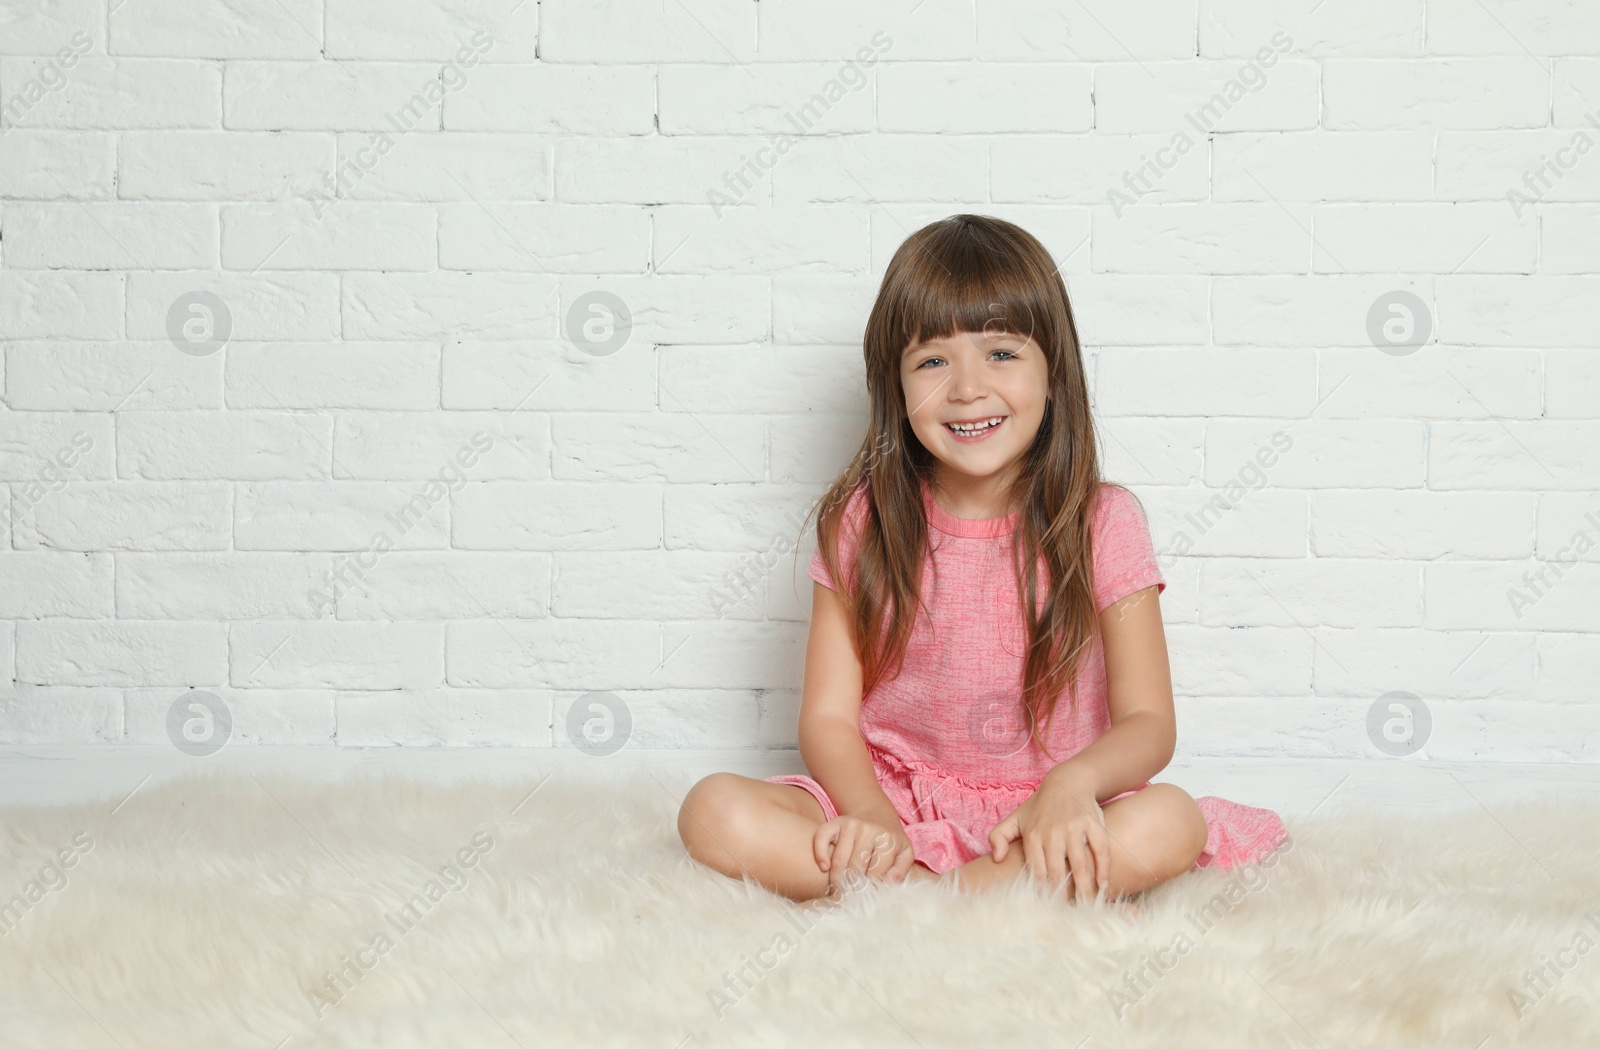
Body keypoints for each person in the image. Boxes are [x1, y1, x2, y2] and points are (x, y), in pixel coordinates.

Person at [677, 214, 1287, 905]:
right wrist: (870, 813)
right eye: (933, 360)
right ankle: (962, 894)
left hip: (1044, 817)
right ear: (895, 386)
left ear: (1053, 371)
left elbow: (1150, 721)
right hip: (892, 797)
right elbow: (826, 717)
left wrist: (1072, 784)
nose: (967, 387)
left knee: (1170, 820)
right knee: (712, 809)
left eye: (1001, 353)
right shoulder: (861, 521)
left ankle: (936, 897)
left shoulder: (1104, 521)